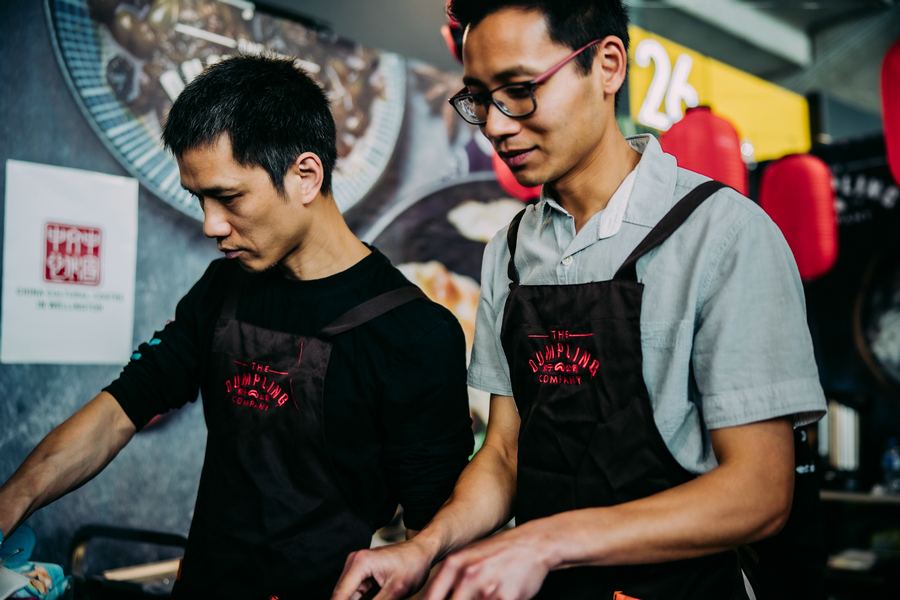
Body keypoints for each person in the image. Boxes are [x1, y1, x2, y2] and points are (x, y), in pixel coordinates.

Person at [331, 1, 826, 599]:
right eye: (479, 99)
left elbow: (760, 493)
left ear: (607, 65)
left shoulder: (722, 234)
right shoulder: (509, 251)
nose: (494, 124)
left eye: (518, 89)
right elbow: (506, 453)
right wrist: (424, 547)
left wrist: (541, 542)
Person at [0, 54, 474, 600]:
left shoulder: (414, 334)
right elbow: (119, 411)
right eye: (198, 199)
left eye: (228, 197)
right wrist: (9, 504)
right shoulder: (222, 289)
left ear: (305, 176)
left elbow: (432, 550)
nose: (210, 225)